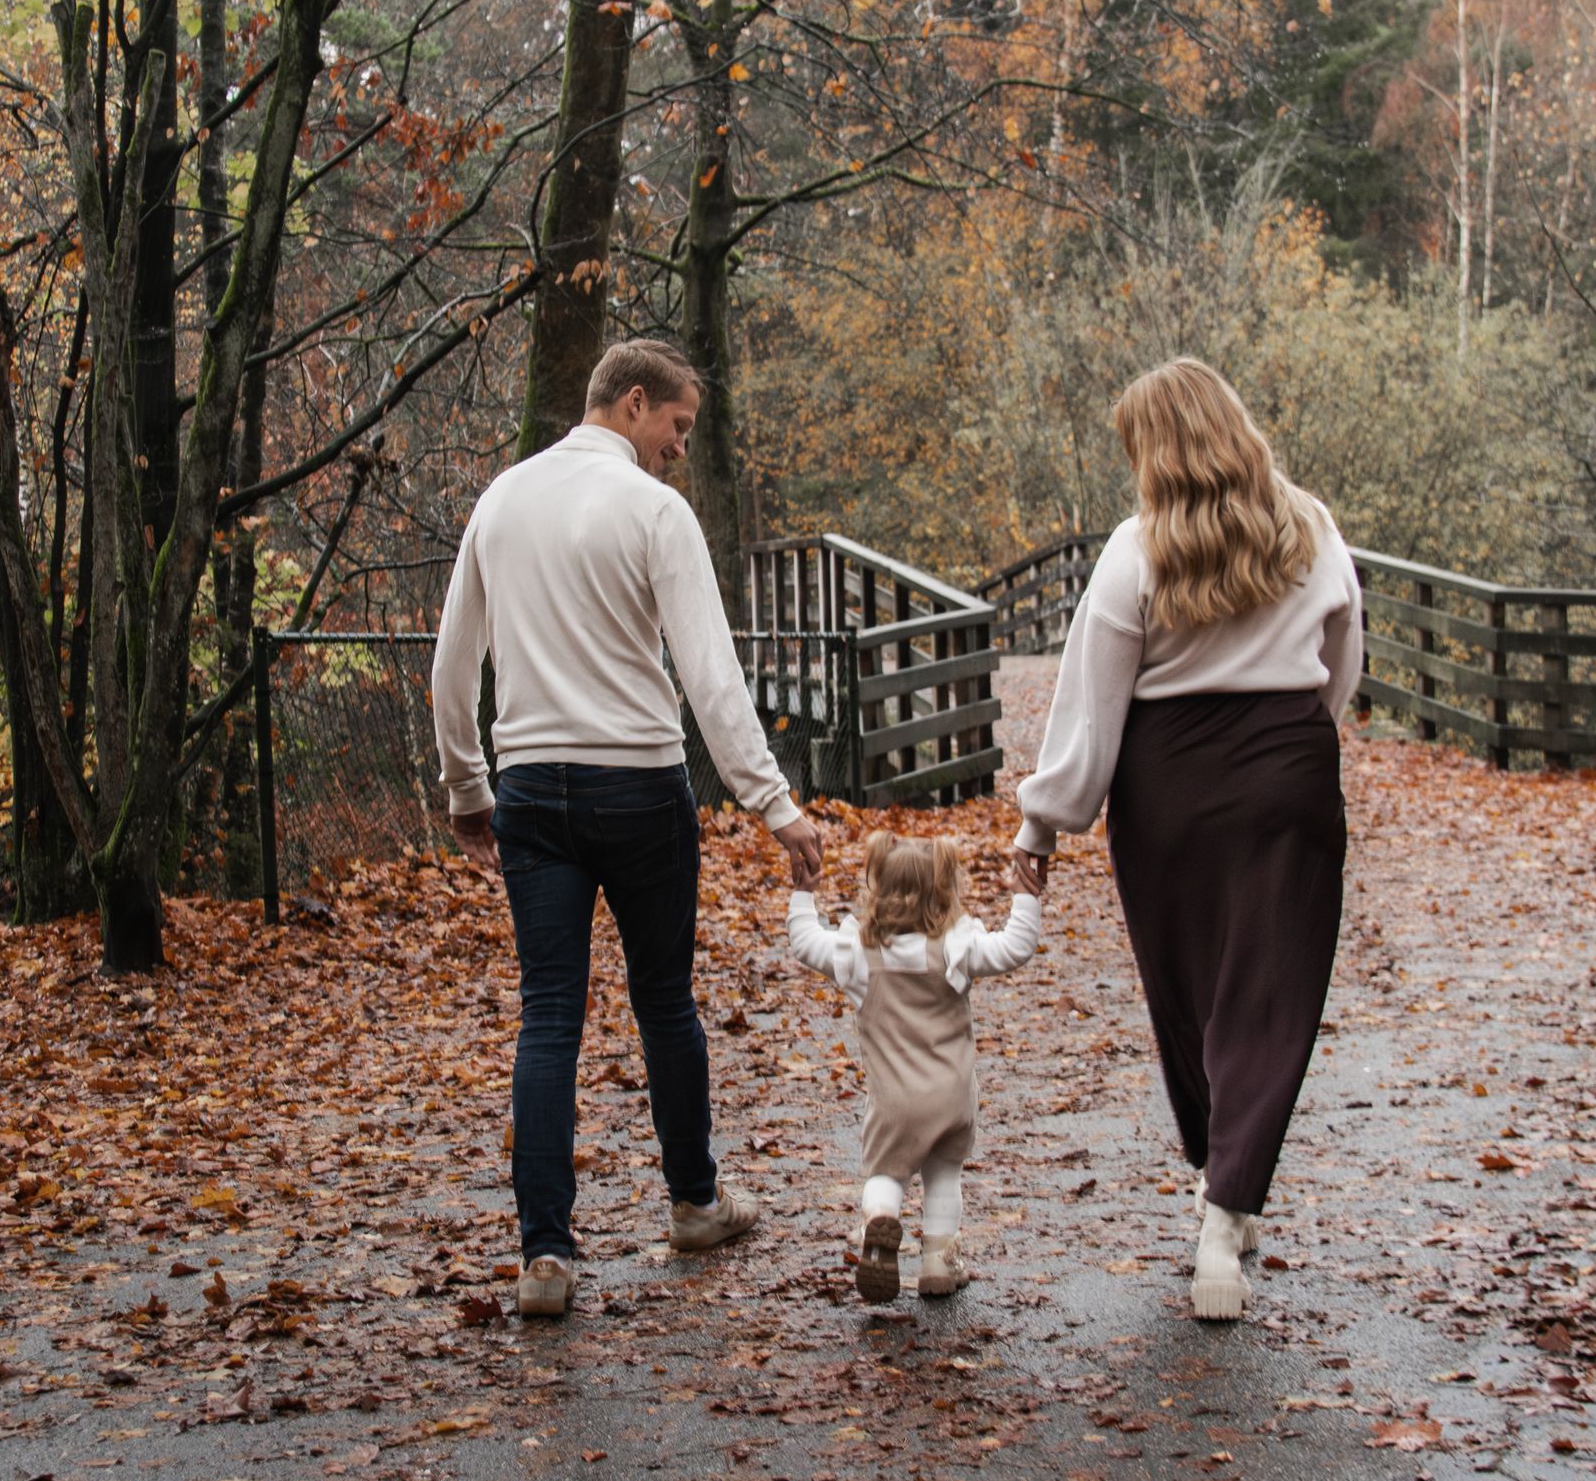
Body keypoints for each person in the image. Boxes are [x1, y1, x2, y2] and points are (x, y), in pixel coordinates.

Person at [431, 337, 823, 1317]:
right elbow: (710, 676)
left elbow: (452, 664)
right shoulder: (654, 511)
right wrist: (773, 803)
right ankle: (694, 1202)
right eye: (677, 426)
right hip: (640, 788)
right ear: (635, 402)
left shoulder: (502, 501)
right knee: (664, 1002)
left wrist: (467, 786)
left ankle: (545, 1257)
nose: (680, 448)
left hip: (531, 790)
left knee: (548, 1016)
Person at [1011, 359, 1362, 1321]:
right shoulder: (1311, 527)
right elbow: (1343, 660)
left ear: (1157, 450)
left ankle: (1220, 1192)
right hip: (1288, 774)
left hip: (1168, 789)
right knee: (1270, 997)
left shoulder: (1137, 550)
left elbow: (1092, 703)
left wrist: (1044, 820)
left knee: (1191, 997)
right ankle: (1227, 1207)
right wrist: (1296, 742)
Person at [789, 831, 1041, 1304]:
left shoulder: (857, 953)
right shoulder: (955, 948)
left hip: (894, 1102)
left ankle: (879, 1218)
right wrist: (1025, 896)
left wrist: (803, 893)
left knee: (887, 1173)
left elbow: (804, 943)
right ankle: (938, 1263)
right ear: (943, 889)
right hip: (950, 1095)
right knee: (944, 1174)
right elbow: (1015, 947)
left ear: (877, 888)